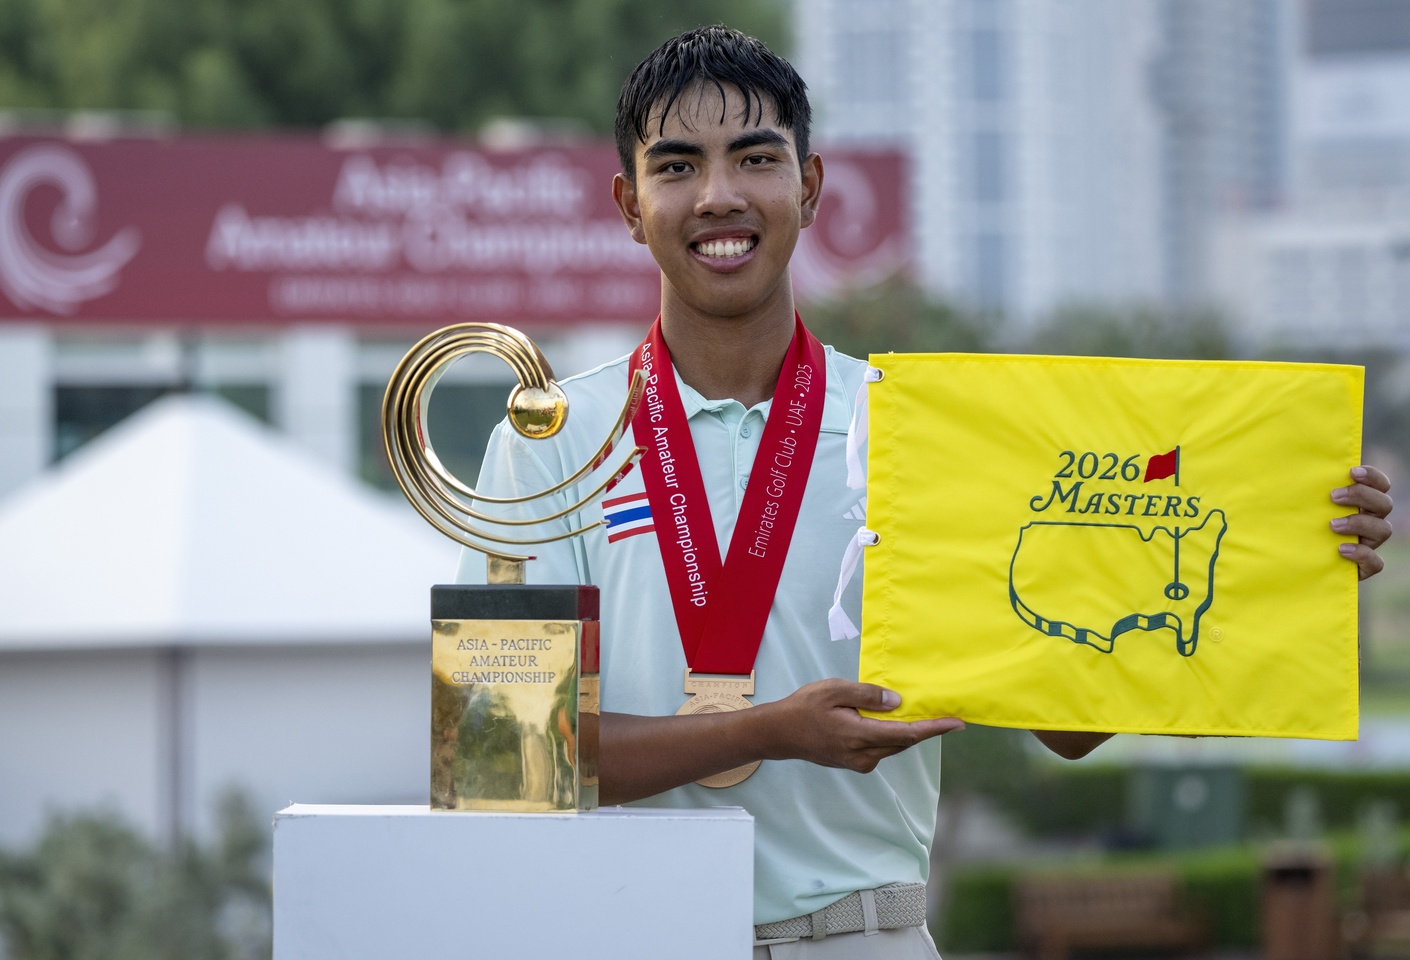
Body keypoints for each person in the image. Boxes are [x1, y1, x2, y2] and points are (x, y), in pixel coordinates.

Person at [456, 25, 1394, 957]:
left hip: (862, 936)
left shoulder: (917, 427)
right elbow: (499, 756)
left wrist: (1282, 566)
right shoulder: (548, 445)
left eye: (755, 158)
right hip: (623, 936)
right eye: (677, 167)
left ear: (810, 187)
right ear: (628, 202)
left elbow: (1063, 728)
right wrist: (773, 732)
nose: (719, 196)